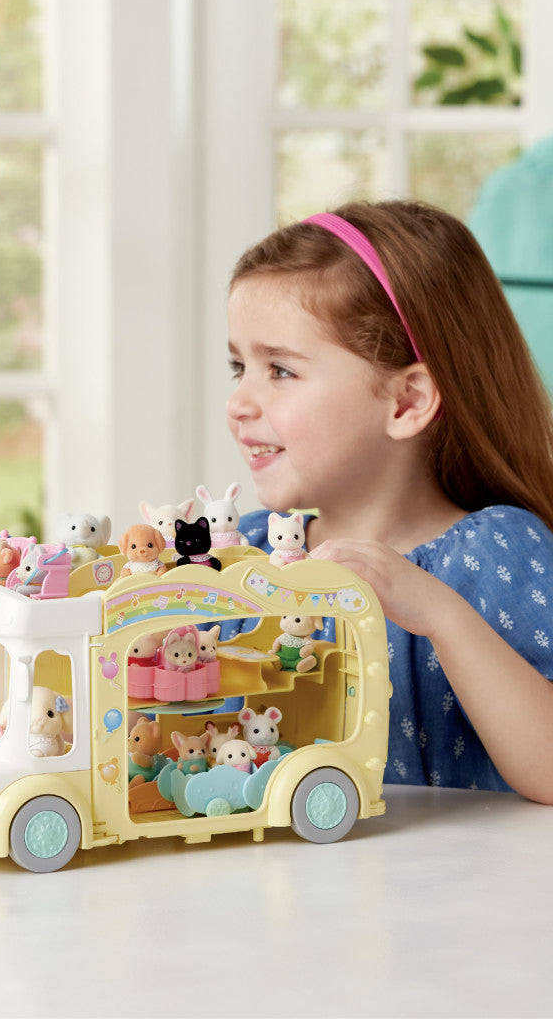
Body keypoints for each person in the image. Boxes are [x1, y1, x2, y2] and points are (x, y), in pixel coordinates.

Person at [225, 201, 553, 802]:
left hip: (457, 892)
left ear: (405, 402)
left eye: (280, 370)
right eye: (238, 366)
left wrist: (441, 616)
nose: (239, 403)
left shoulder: (496, 557)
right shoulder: (243, 559)